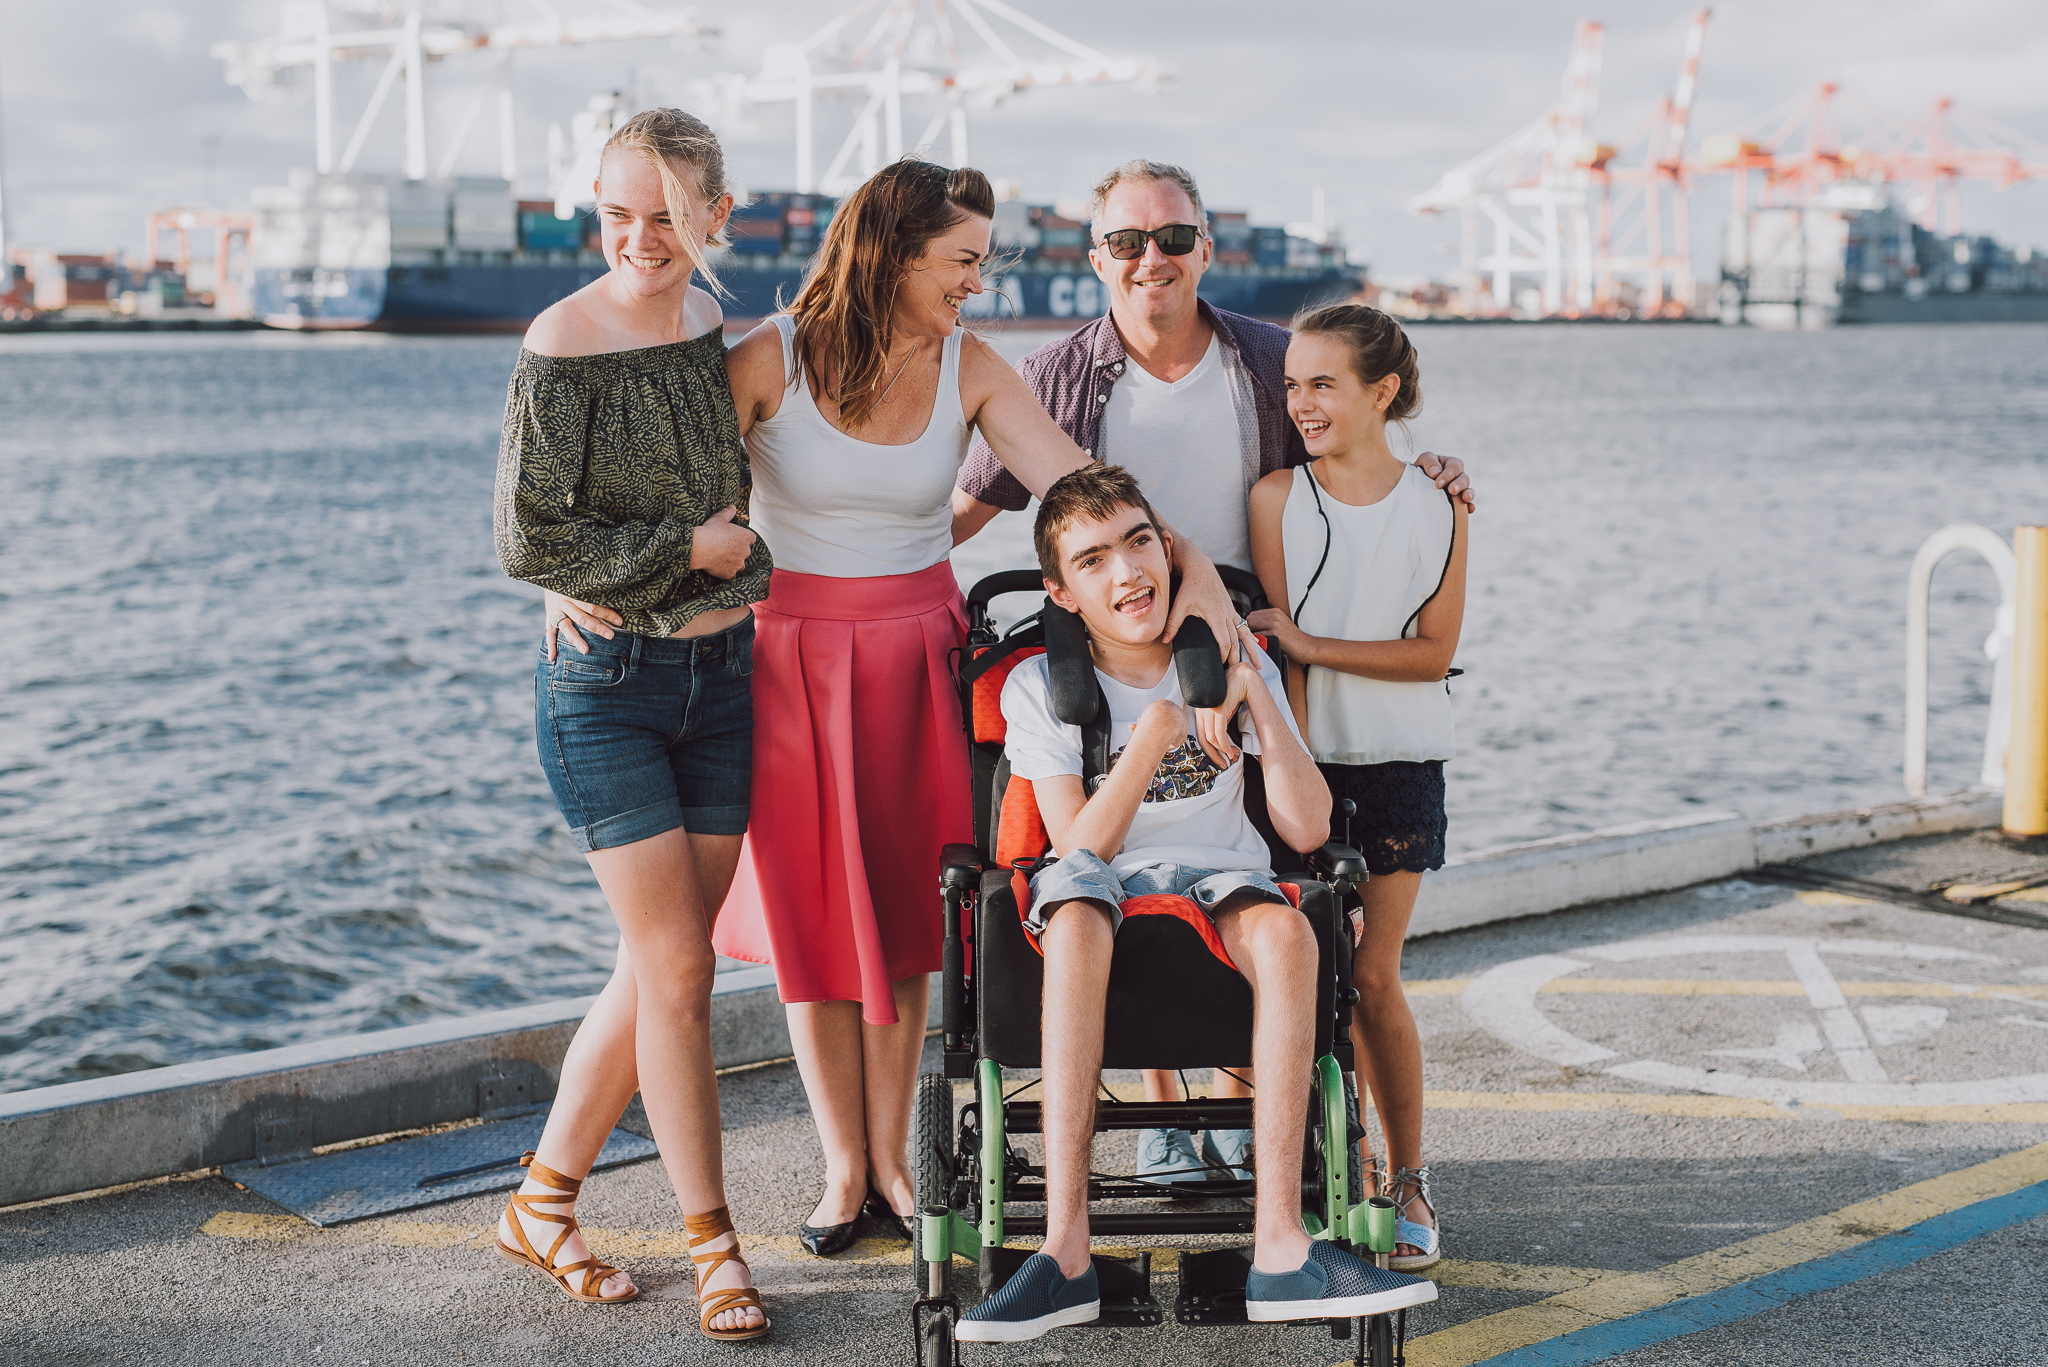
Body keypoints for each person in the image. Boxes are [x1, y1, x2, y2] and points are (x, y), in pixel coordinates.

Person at [572, 157, 1238, 1259]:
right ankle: (844, 1166)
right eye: (960, 261)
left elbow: (1076, 488)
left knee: (910, 919)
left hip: (918, 655)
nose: (976, 283)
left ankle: (895, 1158)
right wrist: (565, 576)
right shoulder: (765, 358)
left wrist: (1186, 565)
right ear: (892, 251)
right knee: (810, 922)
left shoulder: (969, 364)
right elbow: (657, 496)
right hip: (784, 662)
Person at [951, 158, 1474, 1191]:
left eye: (1174, 239)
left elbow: (1353, 438)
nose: (1153, 260)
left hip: (1248, 648)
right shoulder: (1056, 373)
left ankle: (1279, 1120)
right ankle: (1158, 1110)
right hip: (1113, 644)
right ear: (1095, 255)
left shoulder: (1264, 358)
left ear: (1207, 246)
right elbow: (959, 509)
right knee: (1132, 853)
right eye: (1128, 242)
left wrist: (1433, 472)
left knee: (1255, 869)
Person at [958, 464, 1438, 1342]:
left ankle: (1283, 1246)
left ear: (1168, 550)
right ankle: (1065, 1250)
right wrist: (1151, 738)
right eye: (1094, 559)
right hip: (1099, 883)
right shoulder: (1039, 689)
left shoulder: (1225, 663)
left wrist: (1251, 690)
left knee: (1291, 932)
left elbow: (1308, 821)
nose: (1127, 572)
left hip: (1221, 876)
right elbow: (1077, 846)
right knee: (1072, 909)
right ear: (1064, 592)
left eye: (1139, 542)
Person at [490, 109, 770, 1339]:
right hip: (607, 689)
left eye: (665, 213)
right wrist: (687, 549)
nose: (639, 236)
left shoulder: (715, 327)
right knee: (680, 973)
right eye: (617, 211)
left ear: (716, 214)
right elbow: (525, 536)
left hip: (724, 684)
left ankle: (540, 1203)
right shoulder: (564, 337)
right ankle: (717, 1246)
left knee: (652, 969)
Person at [1246, 304, 1466, 1272]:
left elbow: (1432, 656)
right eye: (1291, 384)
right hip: (1308, 771)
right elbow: (1283, 666)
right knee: (1314, 983)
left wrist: (1308, 642)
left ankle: (1407, 1175)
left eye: (1321, 383)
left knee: (1373, 977)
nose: (1299, 403)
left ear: (1381, 391)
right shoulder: (1273, 498)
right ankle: (1348, 1161)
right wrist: (1291, 769)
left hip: (1403, 770)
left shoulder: (1439, 505)